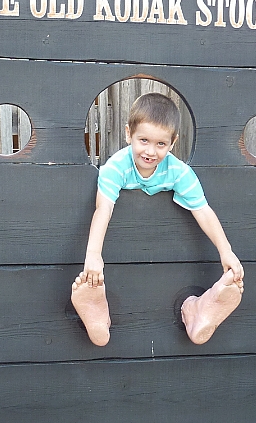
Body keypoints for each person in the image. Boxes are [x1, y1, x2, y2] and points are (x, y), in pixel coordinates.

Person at [71, 92, 245, 347]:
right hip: (122, 248)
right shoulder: (116, 167)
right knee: (93, 274)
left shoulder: (178, 172)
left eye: (161, 144)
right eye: (143, 140)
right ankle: (97, 307)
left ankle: (197, 310)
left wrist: (226, 251)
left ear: (173, 142)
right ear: (128, 134)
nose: (150, 151)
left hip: (167, 249)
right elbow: (103, 208)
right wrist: (94, 255)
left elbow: (203, 210)